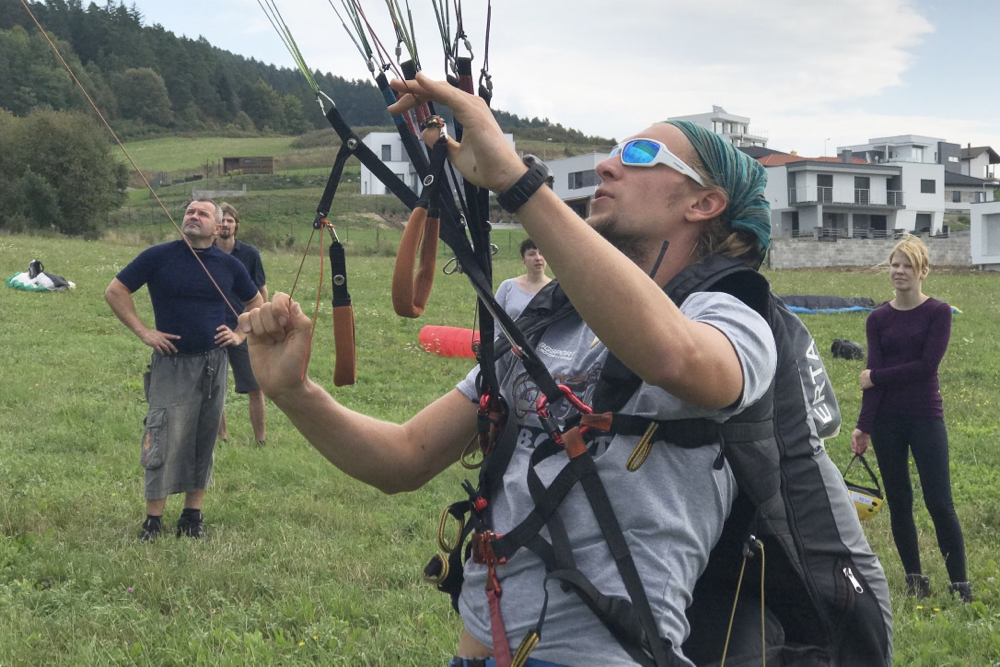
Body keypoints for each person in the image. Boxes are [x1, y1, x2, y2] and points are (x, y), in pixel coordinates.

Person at [242, 74, 779, 666]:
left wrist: (519, 184)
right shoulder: (549, 323)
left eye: (642, 154)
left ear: (704, 203)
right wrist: (294, 392)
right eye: (614, 150)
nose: (607, 166)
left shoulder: (735, 319)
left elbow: (671, 355)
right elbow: (403, 457)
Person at [106, 199, 263, 541]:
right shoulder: (158, 256)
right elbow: (115, 291)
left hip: (213, 363)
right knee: (161, 438)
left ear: (218, 227)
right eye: (190, 212)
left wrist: (239, 334)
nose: (193, 216)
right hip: (171, 364)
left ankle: (192, 518)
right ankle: (153, 521)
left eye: (202, 213)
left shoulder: (229, 265)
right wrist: (144, 332)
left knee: (203, 438)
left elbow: (256, 303)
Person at [851, 234, 971, 603]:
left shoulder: (938, 312)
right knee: (900, 502)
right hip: (886, 422)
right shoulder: (877, 318)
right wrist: (863, 426)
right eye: (895, 264)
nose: (899, 271)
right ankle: (914, 580)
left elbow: (926, 366)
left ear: (923, 272)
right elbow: (871, 378)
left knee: (939, 502)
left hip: (925, 417)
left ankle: (960, 586)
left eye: (908, 265)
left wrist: (876, 377)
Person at [214, 203, 269, 446]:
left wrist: (257, 322)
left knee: (255, 386)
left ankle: (260, 440)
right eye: (222, 221)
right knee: (215, 387)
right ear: (216, 225)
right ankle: (221, 438)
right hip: (214, 328)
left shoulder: (250, 254)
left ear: (236, 225)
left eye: (230, 221)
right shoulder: (205, 252)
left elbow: (261, 292)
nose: (225, 225)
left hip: (242, 329)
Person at [494, 238, 551, 320]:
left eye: (541, 253)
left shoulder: (554, 289)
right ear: (523, 260)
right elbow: (495, 318)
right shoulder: (508, 286)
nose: (538, 258)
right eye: (531, 254)